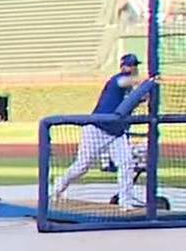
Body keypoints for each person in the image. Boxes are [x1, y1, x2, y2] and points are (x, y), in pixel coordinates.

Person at [51, 52, 150, 207]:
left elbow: (133, 100)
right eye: (130, 65)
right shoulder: (116, 80)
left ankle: (126, 201)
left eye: (135, 65)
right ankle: (58, 187)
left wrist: (143, 95)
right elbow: (125, 81)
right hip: (97, 129)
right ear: (122, 66)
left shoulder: (132, 90)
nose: (133, 68)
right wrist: (149, 81)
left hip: (116, 134)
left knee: (126, 163)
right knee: (82, 166)